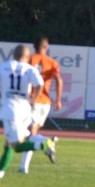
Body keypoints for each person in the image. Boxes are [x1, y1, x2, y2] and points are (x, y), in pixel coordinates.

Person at [0, 45, 57, 187]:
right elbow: (39, 84)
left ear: (13, 55)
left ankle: (43, 144)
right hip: (25, 108)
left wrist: (1, 94)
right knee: (8, 145)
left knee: (16, 146)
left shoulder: (3, 66)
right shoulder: (30, 69)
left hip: (10, 109)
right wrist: (33, 100)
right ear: (27, 57)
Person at [19, 36, 63, 174]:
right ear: (46, 47)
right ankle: (23, 168)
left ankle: (47, 142)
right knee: (31, 134)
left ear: (34, 46)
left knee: (29, 135)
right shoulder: (52, 62)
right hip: (46, 103)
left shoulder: (29, 59)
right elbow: (59, 80)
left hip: (33, 101)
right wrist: (58, 99)